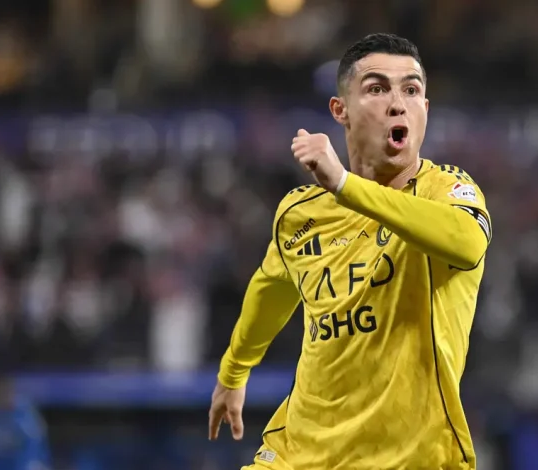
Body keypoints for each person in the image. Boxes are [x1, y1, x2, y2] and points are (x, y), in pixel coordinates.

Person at [208, 33, 492, 470]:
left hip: (410, 458)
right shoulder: (299, 213)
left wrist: (344, 184)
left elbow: (467, 244)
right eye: (377, 88)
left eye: (411, 90)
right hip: (300, 453)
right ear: (340, 110)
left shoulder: (447, 190)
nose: (397, 104)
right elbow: (271, 291)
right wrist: (233, 372)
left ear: (425, 110)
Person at [0, 369, 51, 470]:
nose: (1, 395)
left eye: (4, 391)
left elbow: (34, 448)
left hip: (26, 464)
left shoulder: (24, 411)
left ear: (11, 391)